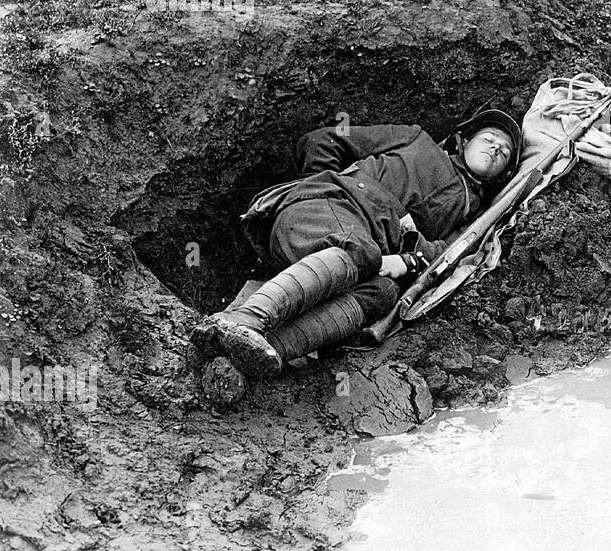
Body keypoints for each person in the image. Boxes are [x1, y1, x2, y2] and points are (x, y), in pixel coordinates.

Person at [192, 109, 522, 379]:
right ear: (464, 138)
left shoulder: (472, 217)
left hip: (358, 259)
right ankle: (243, 320)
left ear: (502, 175)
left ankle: (264, 350)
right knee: (360, 250)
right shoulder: (417, 140)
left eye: (504, 152)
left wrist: (405, 260)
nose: (495, 148)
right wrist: (333, 188)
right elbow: (322, 141)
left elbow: (443, 257)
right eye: (489, 138)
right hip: (320, 210)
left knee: (383, 293)